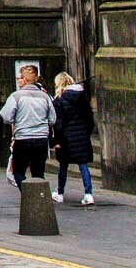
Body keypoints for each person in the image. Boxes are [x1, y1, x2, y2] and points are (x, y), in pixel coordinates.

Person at [0, 63, 56, 190]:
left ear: (24, 80)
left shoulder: (16, 96)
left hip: (23, 139)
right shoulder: (45, 96)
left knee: (18, 172)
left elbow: (6, 117)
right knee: (38, 173)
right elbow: (53, 119)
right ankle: (39, 198)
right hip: (41, 139)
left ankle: (28, 195)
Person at [52, 73, 95, 206]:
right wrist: (86, 132)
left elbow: (58, 122)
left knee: (63, 165)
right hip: (81, 136)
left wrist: (56, 140)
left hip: (66, 137)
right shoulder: (82, 97)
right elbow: (89, 118)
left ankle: (60, 192)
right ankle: (88, 194)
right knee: (83, 165)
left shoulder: (59, 100)